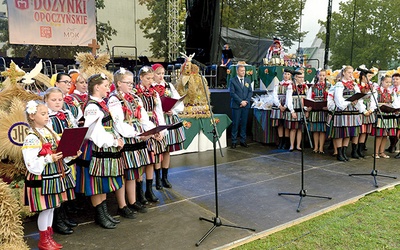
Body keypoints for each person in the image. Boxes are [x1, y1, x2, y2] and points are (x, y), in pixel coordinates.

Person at [22, 100, 79, 250]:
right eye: (43, 113)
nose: (47, 116)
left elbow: (60, 151)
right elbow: (30, 162)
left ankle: (49, 237)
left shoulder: (49, 131)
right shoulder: (31, 137)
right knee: (46, 208)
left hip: (54, 174)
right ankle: (43, 239)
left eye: (47, 113)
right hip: (43, 177)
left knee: (52, 207)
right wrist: (48, 158)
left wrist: (70, 153)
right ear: (32, 116)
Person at [79, 73, 125, 229]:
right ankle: (100, 215)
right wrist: (113, 141)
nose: (108, 88)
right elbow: (94, 133)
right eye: (105, 85)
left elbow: (110, 126)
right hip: (96, 149)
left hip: (104, 148)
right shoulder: (92, 107)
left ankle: (104, 214)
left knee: (102, 182)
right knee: (96, 184)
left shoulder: (101, 103)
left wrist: (118, 137)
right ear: (97, 87)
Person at [108, 68, 153, 214]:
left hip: (137, 136)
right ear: (119, 83)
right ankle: (122, 205)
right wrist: (137, 134)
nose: (131, 85)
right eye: (127, 83)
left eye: (132, 83)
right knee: (124, 172)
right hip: (127, 138)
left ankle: (133, 201)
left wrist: (152, 131)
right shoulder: (114, 100)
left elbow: (143, 117)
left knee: (134, 172)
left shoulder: (134, 97)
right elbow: (118, 123)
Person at [44, 87, 79, 235]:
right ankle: (57, 220)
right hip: (55, 153)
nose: (58, 103)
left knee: (64, 187)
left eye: (60, 99)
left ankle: (63, 216)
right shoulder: (47, 117)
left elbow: (74, 128)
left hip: (67, 152)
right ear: (46, 100)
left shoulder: (67, 113)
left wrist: (75, 143)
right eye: (54, 100)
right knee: (57, 188)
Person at [135, 66, 166, 203]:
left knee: (152, 160)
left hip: (154, 125)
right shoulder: (136, 93)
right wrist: (152, 132)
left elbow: (158, 111)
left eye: (151, 78)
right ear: (141, 77)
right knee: (143, 160)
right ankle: (139, 192)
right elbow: (140, 115)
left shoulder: (154, 93)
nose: (150, 81)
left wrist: (161, 130)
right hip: (143, 127)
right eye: (147, 78)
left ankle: (149, 189)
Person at [152, 63, 186, 189]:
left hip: (168, 118)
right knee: (157, 150)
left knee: (166, 150)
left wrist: (173, 110)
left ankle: (165, 177)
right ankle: (157, 178)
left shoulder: (168, 86)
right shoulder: (150, 88)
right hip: (157, 120)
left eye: (162, 73)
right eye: (158, 74)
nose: (161, 76)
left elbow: (177, 101)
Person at [331, 66, 365, 161]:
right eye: (349, 72)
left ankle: (344, 152)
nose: (351, 74)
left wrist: (357, 102)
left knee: (348, 133)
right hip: (342, 111)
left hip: (352, 112)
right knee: (340, 133)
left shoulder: (354, 84)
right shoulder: (339, 84)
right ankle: (339, 153)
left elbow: (359, 98)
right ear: (344, 73)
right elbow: (339, 100)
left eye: (352, 72)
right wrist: (350, 101)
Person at [372, 75, 399, 158]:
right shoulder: (377, 91)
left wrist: (395, 108)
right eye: (386, 82)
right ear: (382, 82)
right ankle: (376, 153)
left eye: (389, 82)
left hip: (389, 115)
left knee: (385, 135)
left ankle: (382, 152)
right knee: (379, 134)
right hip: (381, 114)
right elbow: (373, 103)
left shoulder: (391, 91)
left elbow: (395, 102)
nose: (388, 84)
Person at [354, 68, 376, 159]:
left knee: (364, 131)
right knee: (358, 131)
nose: (370, 78)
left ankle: (360, 149)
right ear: (363, 76)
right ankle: (354, 150)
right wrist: (363, 110)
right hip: (360, 110)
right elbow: (358, 99)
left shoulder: (371, 86)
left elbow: (374, 98)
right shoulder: (357, 86)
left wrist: (371, 109)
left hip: (369, 110)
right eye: (369, 76)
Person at [285, 70, 309, 151]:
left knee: (300, 129)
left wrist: (306, 110)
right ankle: (292, 145)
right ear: (295, 77)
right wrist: (292, 111)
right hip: (294, 110)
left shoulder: (305, 87)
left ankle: (298, 145)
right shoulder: (291, 86)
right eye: (299, 77)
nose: (301, 79)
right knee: (293, 129)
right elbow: (288, 100)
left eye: (302, 77)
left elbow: (307, 99)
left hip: (302, 110)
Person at [307, 69, 330, 154]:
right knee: (315, 129)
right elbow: (309, 98)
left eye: (323, 75)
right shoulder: (313, 87)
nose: (321, 77)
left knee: (322, 130)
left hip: (324, 111)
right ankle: (315, 147)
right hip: (315, 110)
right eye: (320, 75)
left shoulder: (328, 86)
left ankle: (321, 148)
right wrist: (309, 107)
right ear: (317, 76)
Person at [229, 64, 253, 148]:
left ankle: (243, 140)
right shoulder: (233, 80)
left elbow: (250, 91)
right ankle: (234, 141)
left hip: (245, 105)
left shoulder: (247, 80)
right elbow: (232, 93)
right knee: (235, 123)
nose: (243, 72)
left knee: (244, 123)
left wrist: (246, 101)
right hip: (237, 105)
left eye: (244, 71)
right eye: (242, 71)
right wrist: (240, 101)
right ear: (237, 71)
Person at [271, 68, 292, 149]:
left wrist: (286, 106)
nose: (286, 76)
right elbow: (274, 96)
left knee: (286, 124)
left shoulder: (291, 85)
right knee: (279, 124)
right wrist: (279, 105)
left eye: (288, 74)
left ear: (290, 76)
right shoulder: (279, 84)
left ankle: (286, 141)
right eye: (285, 74)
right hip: (279, 106)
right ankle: (281, 140)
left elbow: (289, 97)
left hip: (287, 105)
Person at [387, 73, 400, 153]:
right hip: (392, 111)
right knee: (391, 130)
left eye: (397, 79)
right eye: (394, 79)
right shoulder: (390, 88)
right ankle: (392, 145)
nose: (395, 81)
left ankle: (394, 146)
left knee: (398, 131)